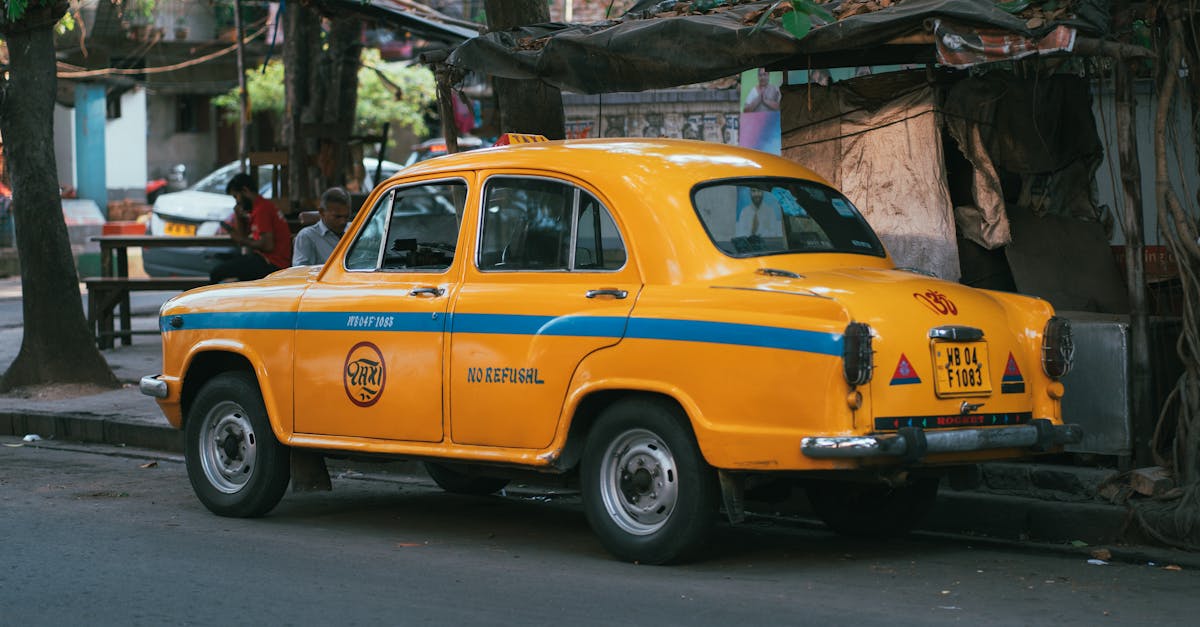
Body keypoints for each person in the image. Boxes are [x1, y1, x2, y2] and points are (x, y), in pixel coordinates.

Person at [210, 172, 292, 283]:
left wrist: (242, 240)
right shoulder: (258, 207)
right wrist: (238, 217)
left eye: (236, 197)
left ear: (245, 191)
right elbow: (242, 235)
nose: (237, 202)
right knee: (219, 259)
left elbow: (268, 246)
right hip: (264, 259)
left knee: (216, 273)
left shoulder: (262, 209)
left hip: (273, 263)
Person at [292, 187, 351, 266]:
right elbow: (300, 272)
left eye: (346, 216)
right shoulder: (307, 236)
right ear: (322, 212)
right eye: (337, 217)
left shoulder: (356, 230)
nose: (343, 222)